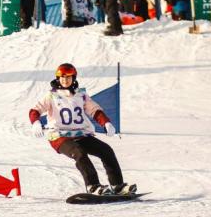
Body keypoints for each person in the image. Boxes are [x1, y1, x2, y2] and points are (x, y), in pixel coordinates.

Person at [28, 63, 135, 196]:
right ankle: (93, 186)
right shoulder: (51, 96)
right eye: (61, 77)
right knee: (79, 153)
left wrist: (106, 123)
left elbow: (94, 110)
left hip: (81, 135)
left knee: (106, 150)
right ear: (57, 78)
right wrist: (36, 122)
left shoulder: (81, 95)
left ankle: (118, 186)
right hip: (59, 136)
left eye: (68, 77)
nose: (65, 80)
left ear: (73, 78)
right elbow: (35, 110)